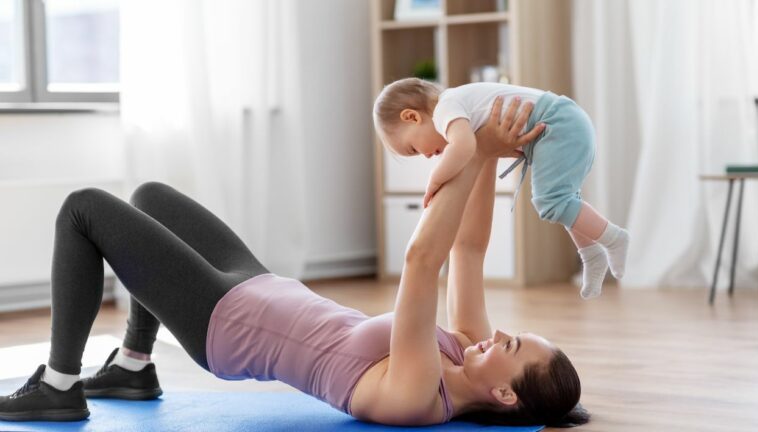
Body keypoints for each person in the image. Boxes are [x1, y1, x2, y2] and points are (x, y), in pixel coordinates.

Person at [0, 99, 588, 427]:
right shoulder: (468, 350)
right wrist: (488, 147)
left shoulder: (417, 395)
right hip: (260, 286)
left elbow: (421, 259)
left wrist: (476, 148)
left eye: (513, 346)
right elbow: (467, 249)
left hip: (227, 327)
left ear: (507, 397)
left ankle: (59, 385)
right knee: (151, 195)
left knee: (84, 210)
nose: (500, 335)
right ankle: (132, 367)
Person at [373, 78, 630, 299]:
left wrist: (435, 179)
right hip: (564, 121)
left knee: (550, 203)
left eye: (414, 150)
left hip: (557, 124)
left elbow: (464, 147)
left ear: (412, 116)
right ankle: (591, 255)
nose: (427, 156)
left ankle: (613, 238)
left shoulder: (445, 109)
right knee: (566, 200)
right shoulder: (457, 105)